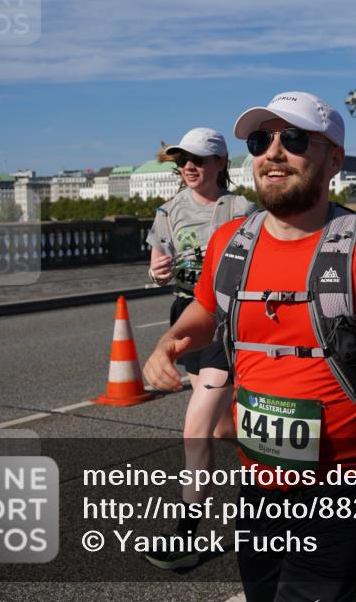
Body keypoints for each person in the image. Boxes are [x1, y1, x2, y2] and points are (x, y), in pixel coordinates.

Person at [143, 91, 356, 601]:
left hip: (348, 482)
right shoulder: (230, 243)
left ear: (334, 160)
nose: (272, 152)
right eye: (261, 140)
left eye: (294, 139)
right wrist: (170, 340)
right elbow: (208, 310)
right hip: (258, 482)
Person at [144, 128, 251, 569]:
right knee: (225, 428)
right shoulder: (168, 212)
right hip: (186, 316)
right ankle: (291, 468)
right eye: (184, 159)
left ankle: (186, 534)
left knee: (195, 429)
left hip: (226, 323)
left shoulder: (243, 210)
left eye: (201, 159)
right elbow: (158, 267)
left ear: (221, 164)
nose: (190, 166)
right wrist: (157, 272)